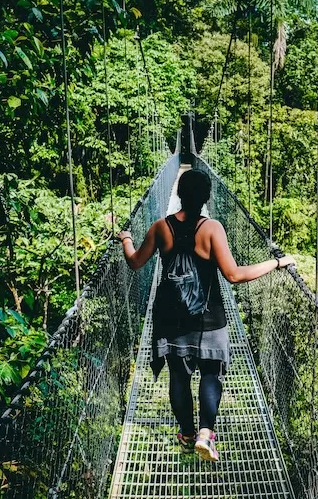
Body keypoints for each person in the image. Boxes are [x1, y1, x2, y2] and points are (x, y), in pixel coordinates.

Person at [116, 169, 294, 462]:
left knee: (178, 376)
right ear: (207, 197)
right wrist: (276, 263)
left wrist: (126, 239)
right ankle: (205, 434)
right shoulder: (212, 229)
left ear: (178, 195)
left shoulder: (161, 227)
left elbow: (135, 263)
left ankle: (186, 433)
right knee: (211, 373)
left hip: (171, 319)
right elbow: (234, 275)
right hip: (209, 319)